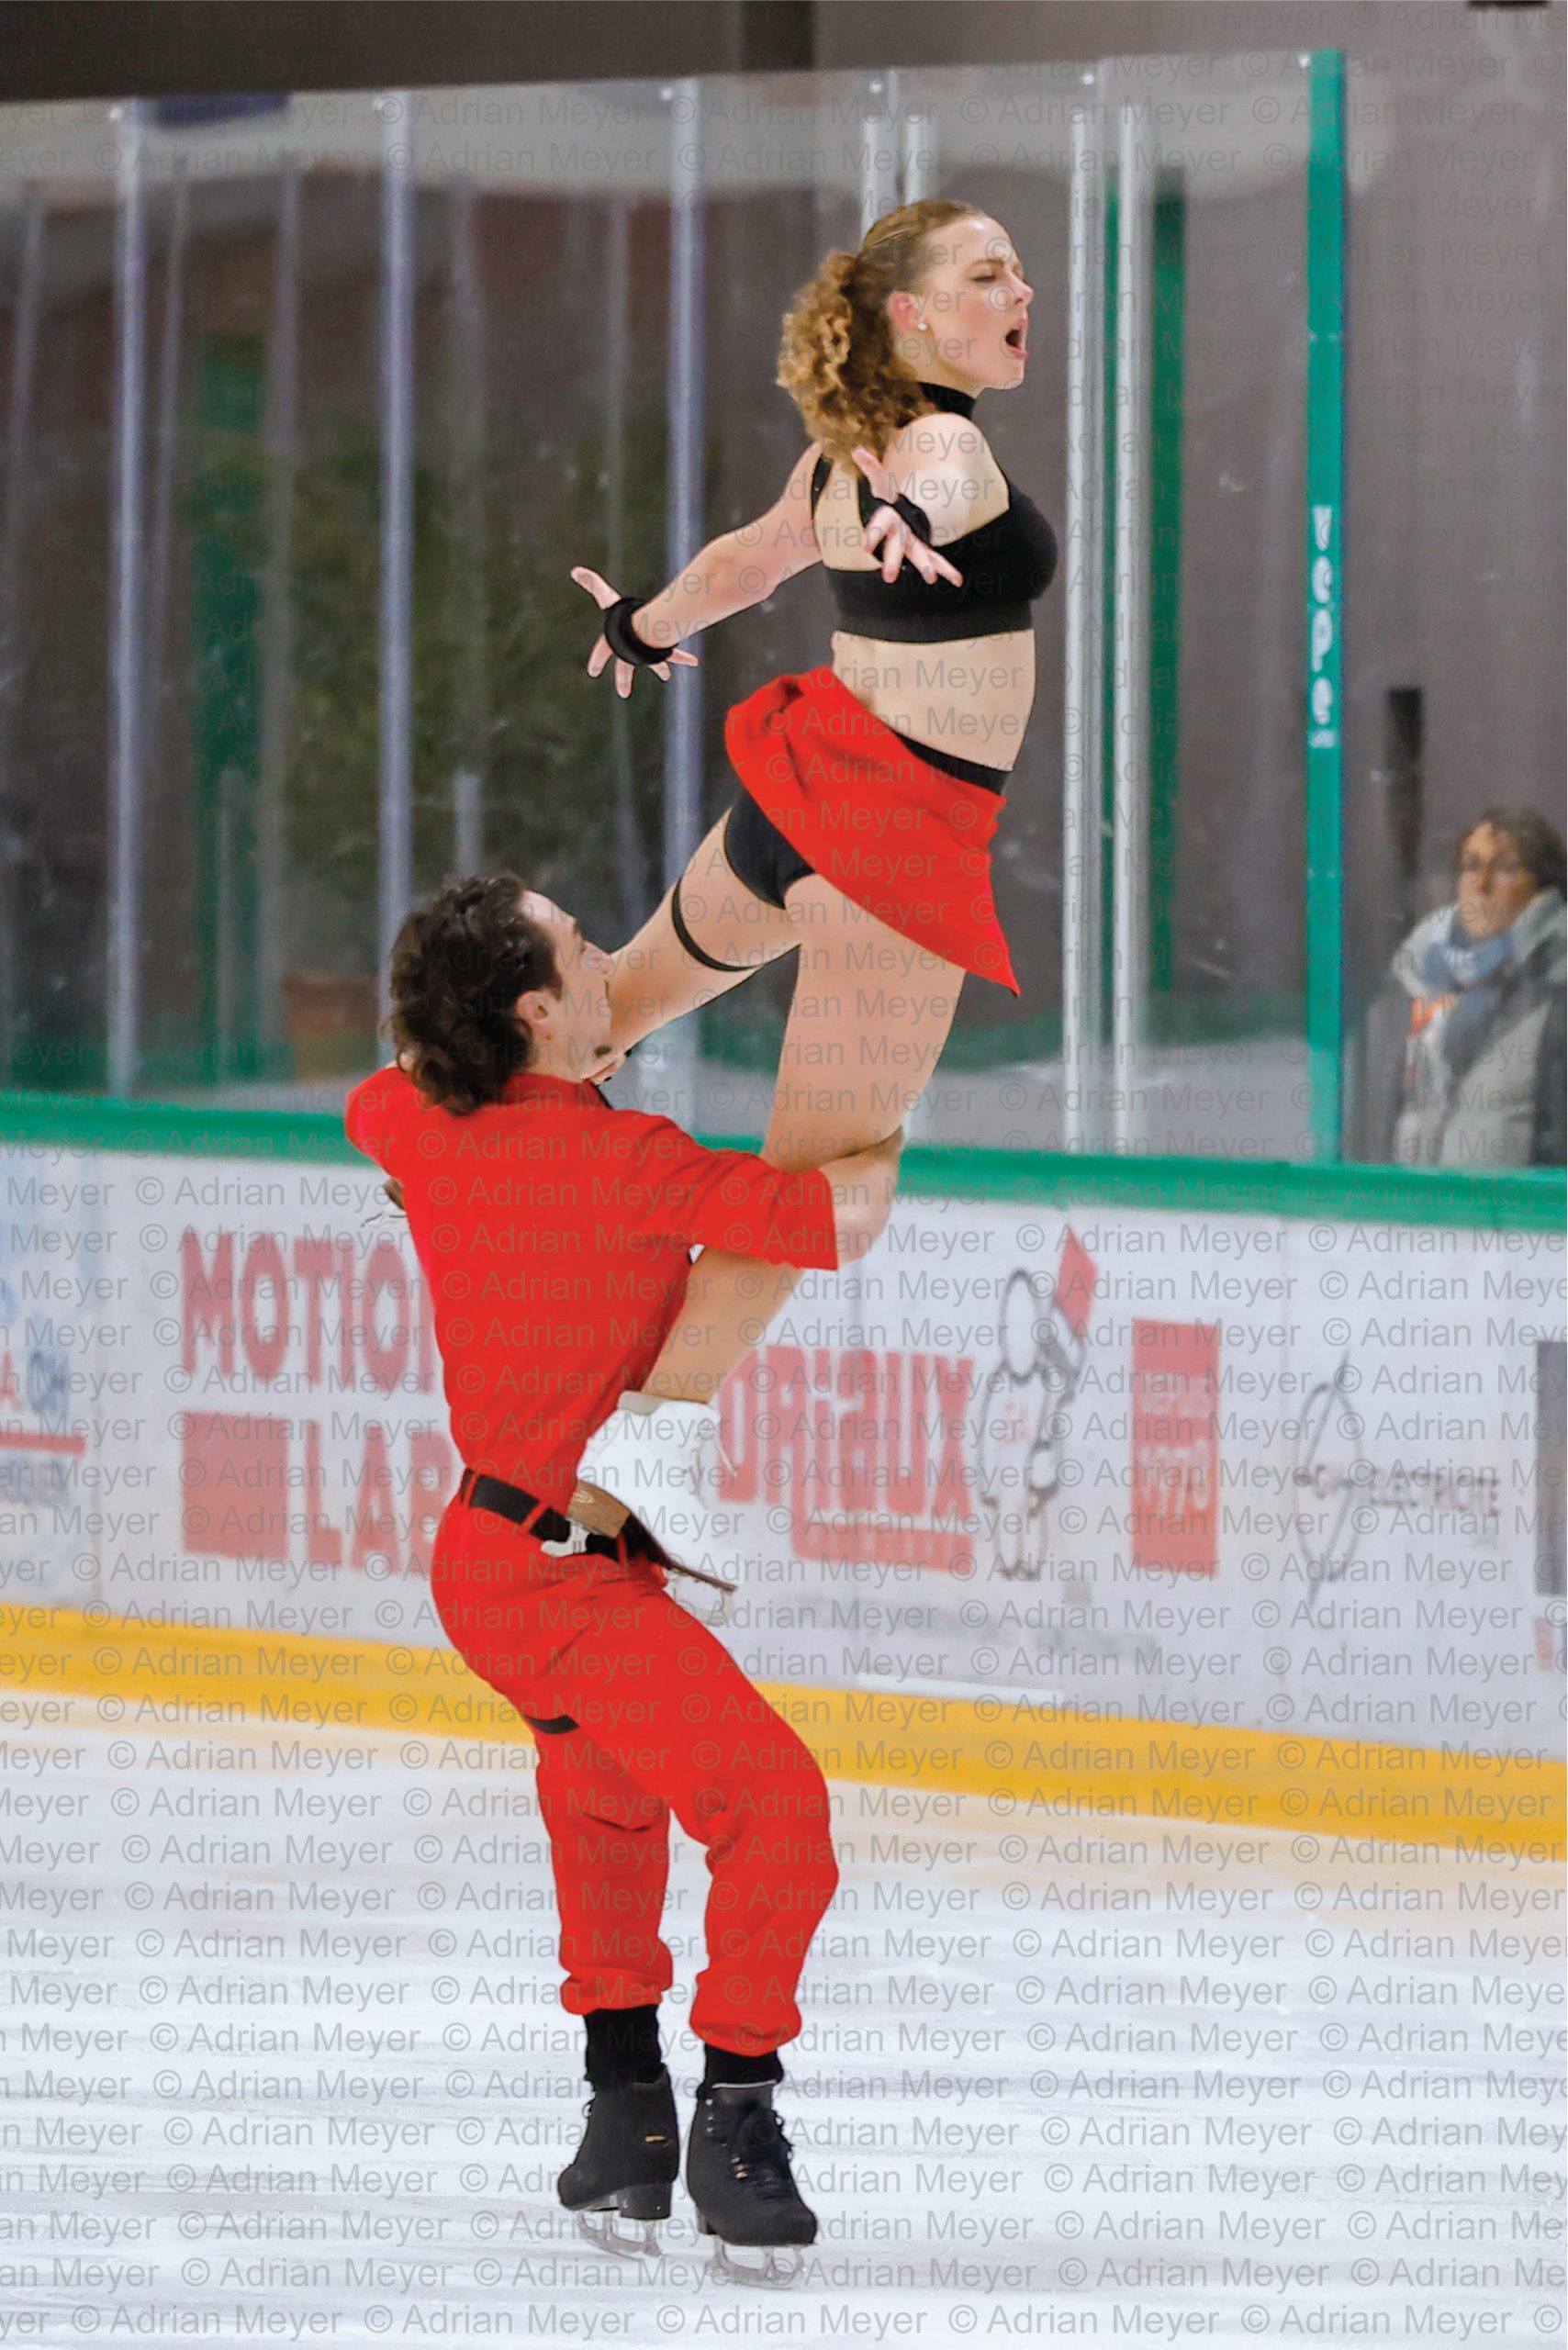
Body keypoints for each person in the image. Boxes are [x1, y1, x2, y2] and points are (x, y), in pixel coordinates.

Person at [345, 872, 902, 2279]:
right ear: (537, 1009)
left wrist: (539, 1066)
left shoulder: (421, 1119)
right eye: (586, 952)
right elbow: (841, 1217)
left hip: (491, 1559)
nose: (614, 963)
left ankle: (623, 2115)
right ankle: (735, 2108)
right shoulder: (630, 1159)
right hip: (562, 1578)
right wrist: (884, 1069)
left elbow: (379, 1094)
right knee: (774, 1808)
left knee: (606, 1804)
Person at [566, 195, 1056, 1539]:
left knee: (603, 1008)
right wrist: (914, 509)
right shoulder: (939, 443)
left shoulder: (836, 462)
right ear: (909, 312)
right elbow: (945, 478)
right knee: (818, 1198)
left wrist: (644, 623)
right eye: (989, 272)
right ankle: (624, 1481)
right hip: (891, 850)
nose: (1023, 292)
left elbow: (751, 560)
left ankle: (450, 1123)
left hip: (798, 798)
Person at [1379, 809, 1565, 1168]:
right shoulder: (1416, 978)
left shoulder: (1557, 989)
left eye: (1506, 869)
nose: (1481, 884)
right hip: (1411, 1214)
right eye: (1469, 865)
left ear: (1543, 890)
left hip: (1523, 1218)